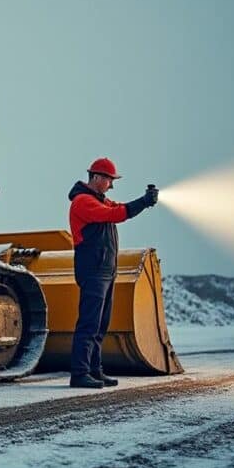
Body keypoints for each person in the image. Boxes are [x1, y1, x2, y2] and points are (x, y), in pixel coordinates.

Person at [67, 157, 158, 389]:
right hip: (93, 271)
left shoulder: (101, 200)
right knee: (89, 324)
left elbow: (117, 209)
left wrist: (142, 203)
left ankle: (95, 371)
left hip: (105, 271)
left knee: (100, 326)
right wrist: (144, 202)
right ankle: (79, 374)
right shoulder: (83, 202)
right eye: (109, 180)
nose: (111, 184)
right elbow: (116, 215)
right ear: (96, 177)